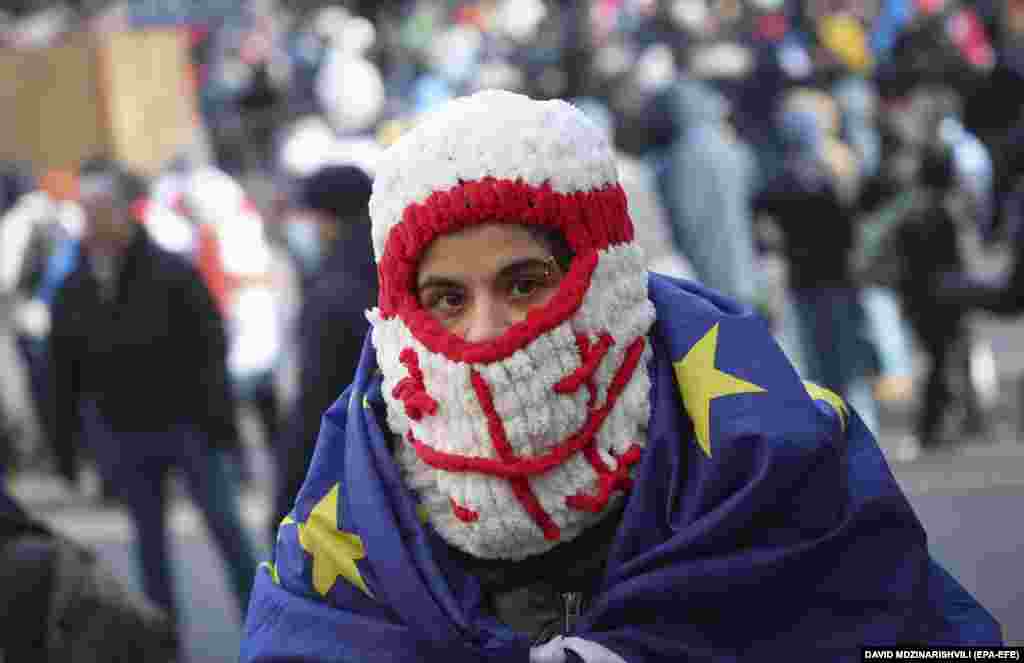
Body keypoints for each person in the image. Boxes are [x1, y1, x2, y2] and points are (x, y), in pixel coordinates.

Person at [242, 90, 1000, 662]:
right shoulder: (354, 515)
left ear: (597, 275)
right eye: (446, 297)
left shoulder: (769, 464)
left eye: (525, 283)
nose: (486, 331)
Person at [46, 157, 262, 632]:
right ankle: (162, 639)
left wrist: (221, 427)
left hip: (188, 426)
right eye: (87, 209)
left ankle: (265, 626)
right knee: (149, 543)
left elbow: (211, 348)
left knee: (226, 529)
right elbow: (61, 372)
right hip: (125, 430)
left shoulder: (171, 272)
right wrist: (67, 450)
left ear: (127, 210)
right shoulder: (74, 287)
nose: (94, 220)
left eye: (103, 208)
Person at [271, 164, 378, 543]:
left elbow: (315, 396)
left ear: (328, 220)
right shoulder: (395, 265)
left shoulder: (332, 287)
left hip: (343, 464)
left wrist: (288, 492)